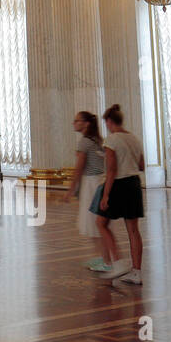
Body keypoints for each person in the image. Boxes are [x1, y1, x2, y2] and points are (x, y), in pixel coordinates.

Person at [95, 104, 145, 284]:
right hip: (134, 183)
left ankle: (117, 262)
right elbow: (141, 166)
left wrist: (106, 195)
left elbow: (111, 170)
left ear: (109, 121)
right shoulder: (135, 139)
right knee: (133, 230)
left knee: (101, 223)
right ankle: (136, 272)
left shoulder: (111, 140)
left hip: (118, 184)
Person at [66, 111, 108, 271]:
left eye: (77, 121)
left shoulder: (84, 142)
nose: (74, 123)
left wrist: (71, 189)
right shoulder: (98, 140)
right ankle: (101, 258)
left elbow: (79, 168)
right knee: (96, 224)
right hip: (99, 181)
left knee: (94, 223)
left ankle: (104, 260)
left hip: (91, 184)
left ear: (86, 123)